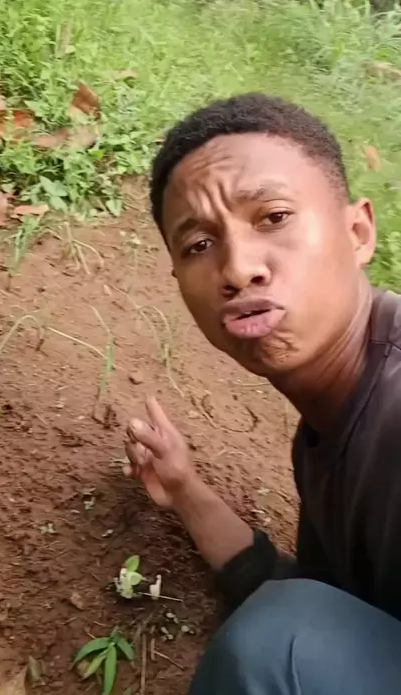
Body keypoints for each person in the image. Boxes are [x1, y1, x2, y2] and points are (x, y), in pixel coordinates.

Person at [123, 94, 401, 694]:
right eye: (199, 246)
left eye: (273, 217)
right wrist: (184, 490)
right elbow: (333, 626)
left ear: (358, 232)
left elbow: (290, 645)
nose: (237, 269)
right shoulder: (327, 427)